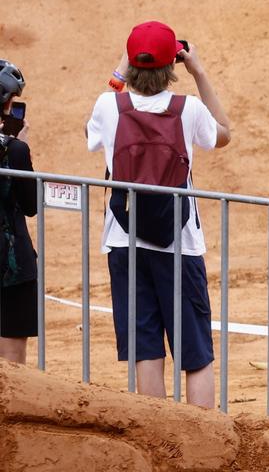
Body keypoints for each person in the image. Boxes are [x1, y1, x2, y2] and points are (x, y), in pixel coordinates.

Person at [86, 21, 231, 406]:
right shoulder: (189, 110)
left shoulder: (108, 105)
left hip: (123, 239)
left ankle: (157, 442)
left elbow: (96, 126)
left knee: (145, 349)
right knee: (195, 350)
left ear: (130, 66)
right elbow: (224, 133)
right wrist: (198, 70)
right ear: (172, 67)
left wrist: (121, 69)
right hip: (178, 242)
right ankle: (202, 445)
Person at [0, 60, 37, 364]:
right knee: (12, 366)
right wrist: (19, 148)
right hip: (11, 266)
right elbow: (31, 206)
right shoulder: (14, 150)